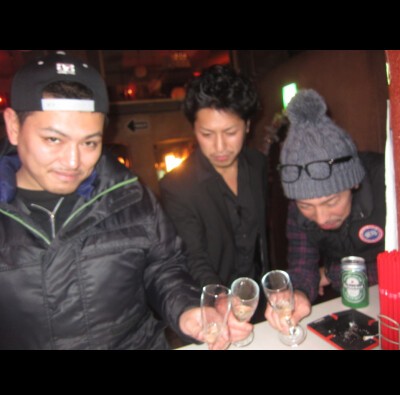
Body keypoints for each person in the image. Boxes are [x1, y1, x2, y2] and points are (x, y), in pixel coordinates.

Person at [0, 52, 250, 349]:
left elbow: (163, 267)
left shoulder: (130, 195)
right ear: (13, 126)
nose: (73, 161)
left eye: (90, 142)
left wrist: (186, 310)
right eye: (53, 139)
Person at [265, 89, 385, 333]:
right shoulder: (297, 209)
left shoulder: (388, 184)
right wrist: (298, 293)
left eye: (331, 202)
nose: (321, 218)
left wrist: (332, 272)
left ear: (353, 183)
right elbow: (302, 265)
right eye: (306, 206)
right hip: (356, 309)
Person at [159, 65, 269, 321]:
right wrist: (219, 298)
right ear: (194, 129)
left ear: (248, 125)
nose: (220, 146)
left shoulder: (258, 165)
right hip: (214, 310)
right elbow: (193, 256)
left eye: (230, 132)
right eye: (207, 134)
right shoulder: (177, 186)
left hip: (261, 301)